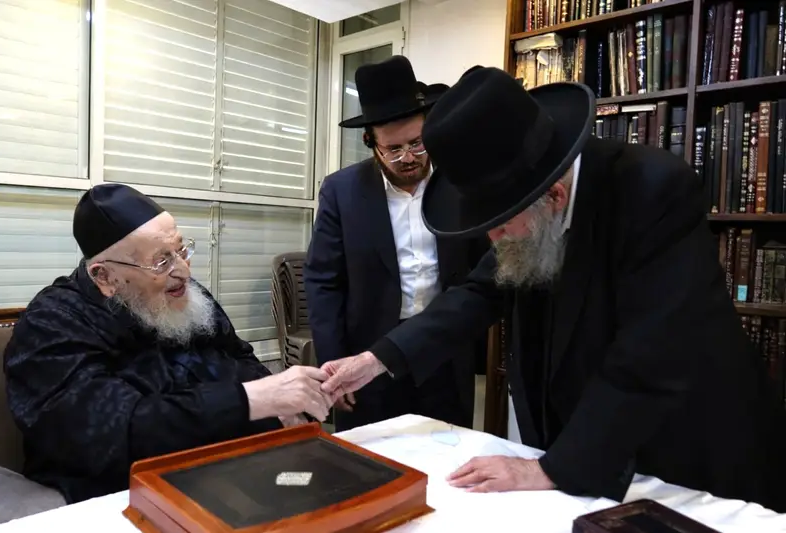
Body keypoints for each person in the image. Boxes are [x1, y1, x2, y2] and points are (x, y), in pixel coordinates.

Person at [318, 66, 786, 512]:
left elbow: (653, 351)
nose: (493, 241)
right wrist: (377, 359)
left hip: (684, 444)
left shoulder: (654, 190)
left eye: (499, 227)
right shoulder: (523, 202)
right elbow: (478, 292)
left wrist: (552, 468)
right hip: (590, 439)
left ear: (555, 197)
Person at [3, 183, 333, 504]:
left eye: (181, 250)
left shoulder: (185, 295)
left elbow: (240, 358)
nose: (183, 271)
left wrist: (286, 402)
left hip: (235, 469)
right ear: (104, 277)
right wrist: (251, 400)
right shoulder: (52, 323)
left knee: (333, 493)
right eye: (161, 261)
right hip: (126, 498)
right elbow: (114, 435)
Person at [304, 55, 489, 431]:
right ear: (370, 142)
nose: (408, 158)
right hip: (368, 356)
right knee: (371, 456)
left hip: (444, 351)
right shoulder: (341, 192)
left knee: (447, 449)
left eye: (417, 143)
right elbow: (323, 282)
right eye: (393, 149)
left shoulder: (460, 183)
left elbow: (482, 269)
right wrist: (334, 364)